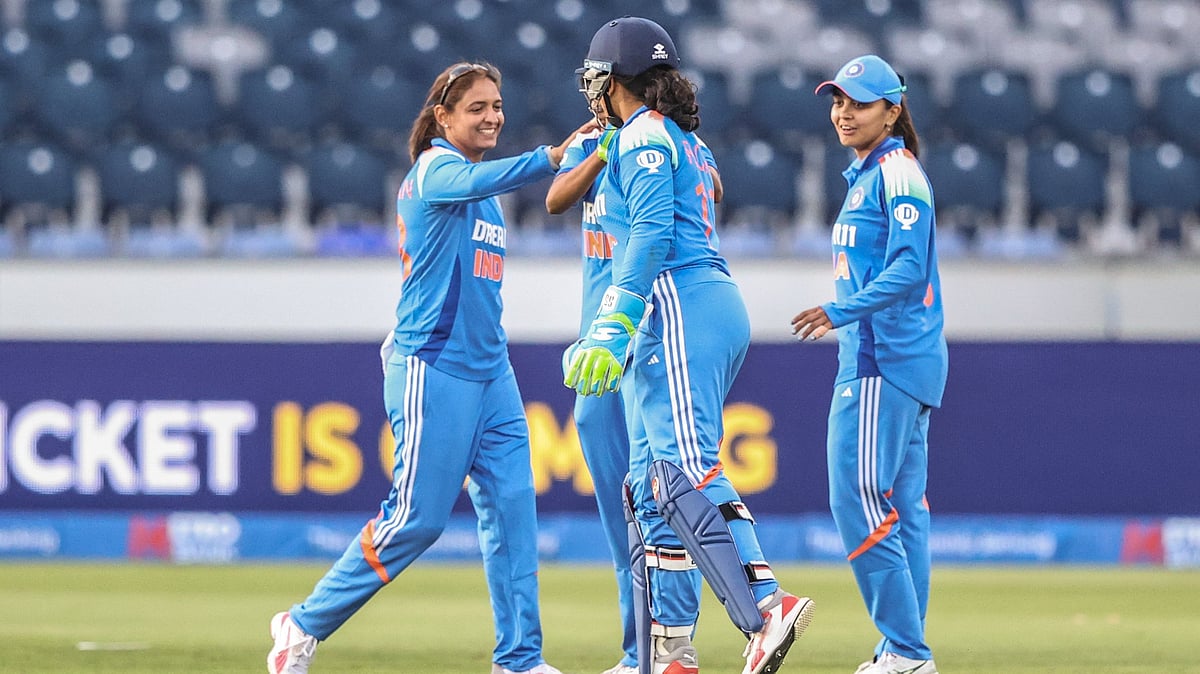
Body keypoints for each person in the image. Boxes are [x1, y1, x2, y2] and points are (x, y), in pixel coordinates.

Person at [267, 61, 594, 674]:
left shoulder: (482, 194)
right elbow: (479, 183)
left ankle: (520, 660)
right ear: (443, 117)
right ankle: (302, 623)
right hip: (433, 366)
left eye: (497, 106)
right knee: (416, 521)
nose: (493, 116)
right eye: (478, 108)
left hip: (491, 372)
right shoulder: (434, 171)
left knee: (514, 513)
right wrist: (553, 156)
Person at [563, 17, 814, 674]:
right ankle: (669, 652)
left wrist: (612, 323)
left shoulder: (643, 133)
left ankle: (765, 606)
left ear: (612, 81)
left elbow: (647, 235)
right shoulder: (686, 142)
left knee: (683, 471)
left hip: (677, 303)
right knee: (648, 487)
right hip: (702, 302)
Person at [545, 93, 724, 674]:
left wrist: (643, 145)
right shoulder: (594, 142)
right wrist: (600, 150)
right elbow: (554, 199)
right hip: (600, 349)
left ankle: (667, 649)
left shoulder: (666, 140)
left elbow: (713, 190)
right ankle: (640, 651)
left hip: (648, 335)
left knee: (663, 494)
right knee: (623, 511)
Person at [791, 54, 947, 674]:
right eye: (837, 101)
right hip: (900, 360)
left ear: (893, 109)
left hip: (884, 359)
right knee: (903, 509)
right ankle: (903, 652)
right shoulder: (873, 172)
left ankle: (906, 650)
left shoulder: (898, 172)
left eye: (858, 103)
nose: (843, 113)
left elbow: (908, 268)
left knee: (856, 498)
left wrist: (841, 310)